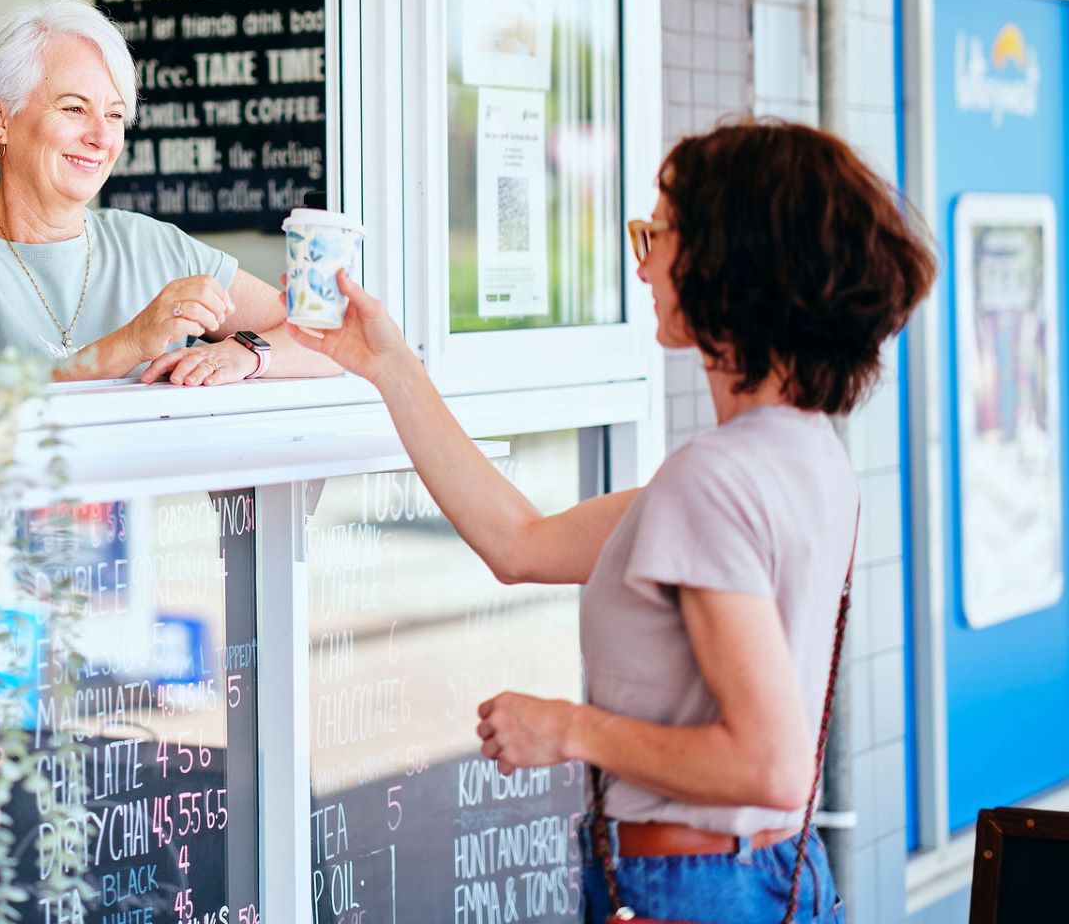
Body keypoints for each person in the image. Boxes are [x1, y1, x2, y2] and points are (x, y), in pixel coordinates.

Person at [294, 120, 934, 923]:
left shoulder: (715, 480)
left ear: (728, 261)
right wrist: (389, 364)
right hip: (779, 873)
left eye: (659, 230)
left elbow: (769, 764)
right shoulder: (807, 456)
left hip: (693, 892)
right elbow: (518, 543)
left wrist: (566, 728)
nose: (643, 259)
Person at [0, 0, 337, 386]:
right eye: (74, 109)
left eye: (114, 115)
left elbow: (331, 337)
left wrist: (246, 354)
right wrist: (128, 345)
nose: (102, 137)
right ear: (0, 119)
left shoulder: (152, 246)